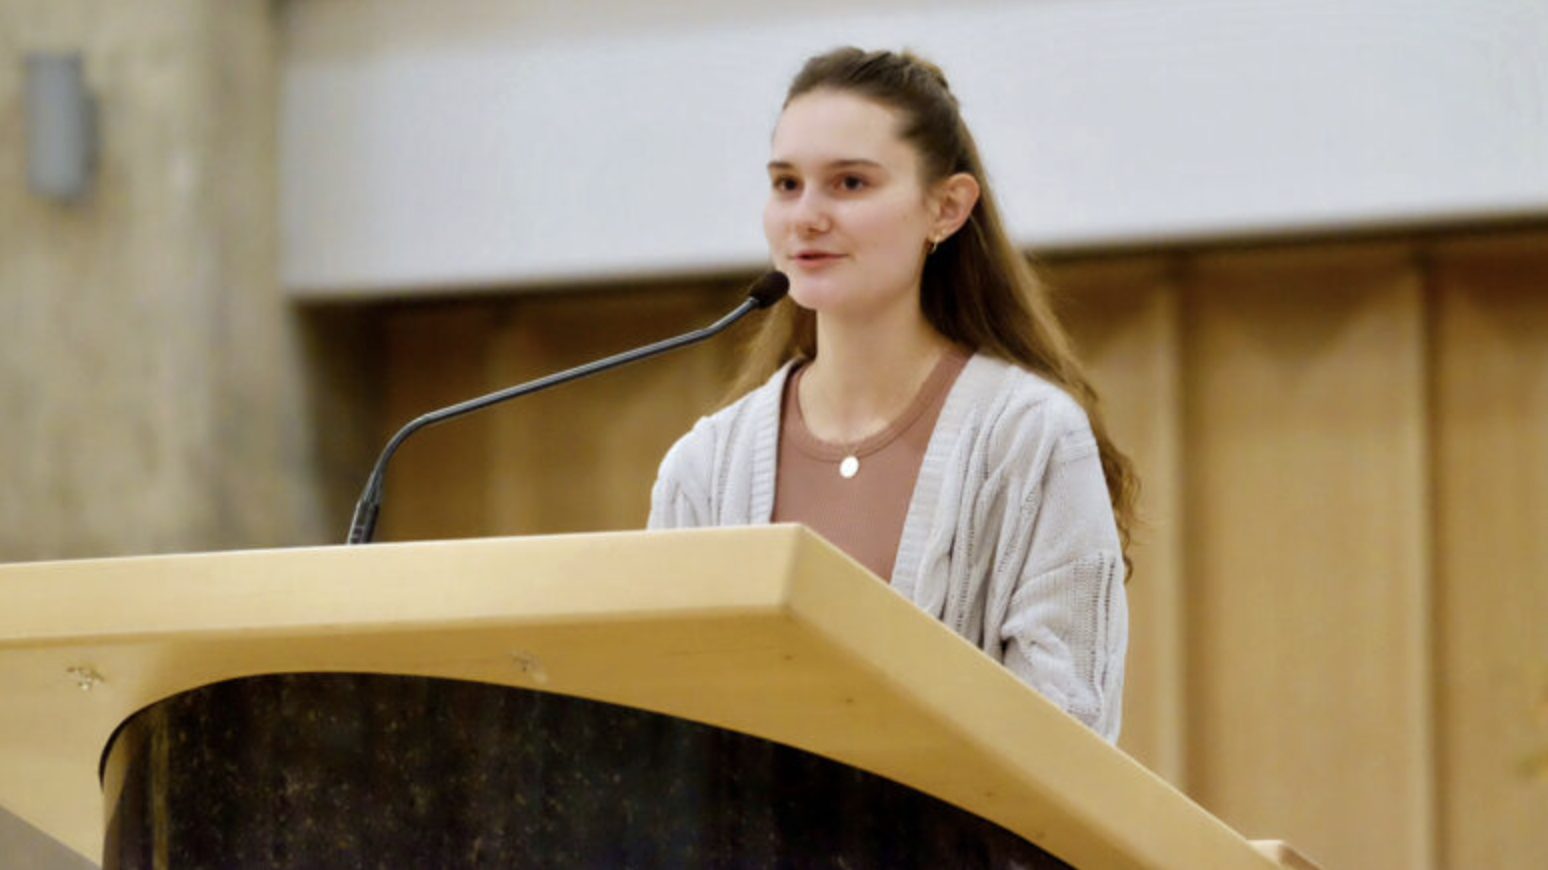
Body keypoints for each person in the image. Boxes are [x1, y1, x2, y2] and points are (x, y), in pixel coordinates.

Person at [648, 47, 1137, 743]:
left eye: (849, 183)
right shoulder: (703, 467)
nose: (805, 216)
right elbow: (667, 726)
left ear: (947, 207)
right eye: (786, 184)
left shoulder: (1030, 438)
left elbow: (1069, 734)